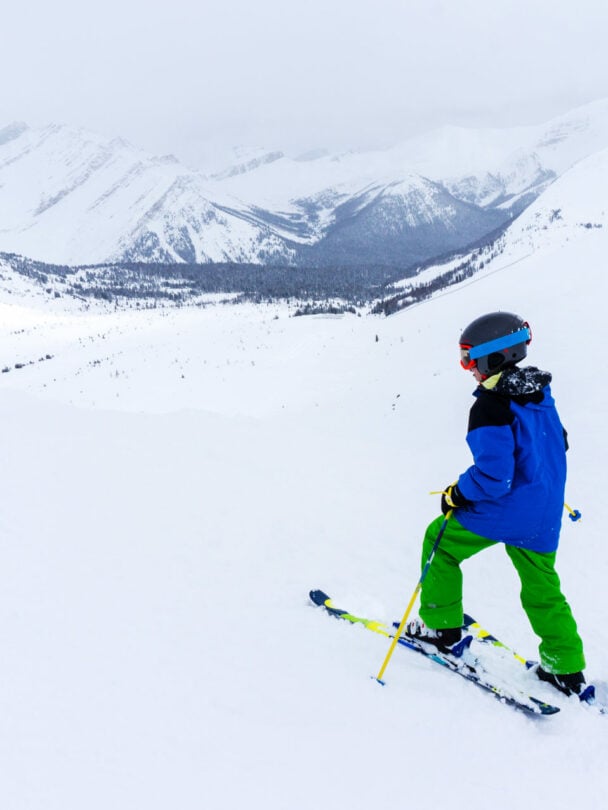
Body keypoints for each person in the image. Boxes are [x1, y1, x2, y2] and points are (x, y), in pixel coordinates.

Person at [405, 311, 586, 696]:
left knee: (440, 540)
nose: (467, 369)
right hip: (544, 510)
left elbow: (494, 478)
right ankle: (565, 666)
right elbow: (558, 441)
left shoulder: (489, 407)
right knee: (542, 587)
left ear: (493, 359)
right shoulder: (539, 391)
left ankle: (440, 627)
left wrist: (457, 494)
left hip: (508, 509)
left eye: (470, 360)